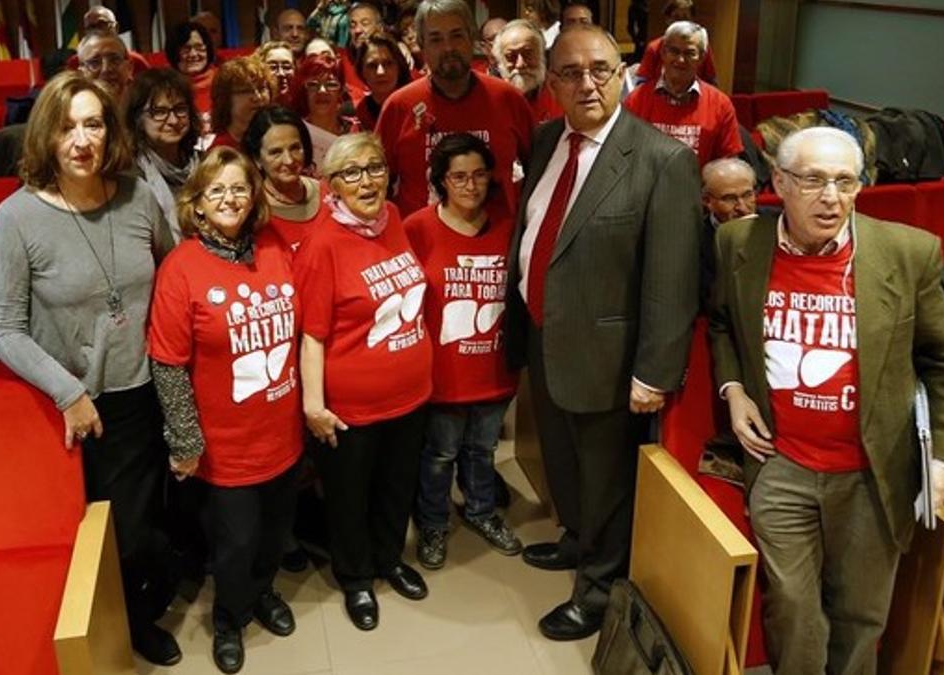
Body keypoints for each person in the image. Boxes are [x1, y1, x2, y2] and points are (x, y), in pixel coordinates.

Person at [708, 126, 944, 675]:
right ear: (779, 181)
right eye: (814, 180)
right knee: (794, 610)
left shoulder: (908, 252)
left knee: (861, 615)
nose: (831, 197)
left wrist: (943, 459)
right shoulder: (738, 244)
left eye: (846, 182)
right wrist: (733, 391)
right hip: (780, 464)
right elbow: (723, 324)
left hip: (874, 472)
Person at [505, 24, 701, 641]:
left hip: (612, 358)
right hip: (547, 335)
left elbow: (673, 280)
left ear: (622, 75)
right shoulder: (544, 141)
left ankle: (597, 590)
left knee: (606, 480)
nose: (586, 83)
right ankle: (575, 540)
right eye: (570, 72)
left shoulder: (662, 160)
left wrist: (654, 372)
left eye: (600, 70)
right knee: (564, 465)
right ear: (552, 81)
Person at [0, 72, 179, 665]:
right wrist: (68, 392)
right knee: (87, 534)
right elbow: (4, 331)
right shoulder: (16, 217)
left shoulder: (137, 196)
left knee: (139, 529)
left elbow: (174, 278)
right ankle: (96, 629)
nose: (81, 139)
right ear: (46, 135)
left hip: (141, 389)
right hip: (63, 404)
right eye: (67, 126)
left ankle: (140, 616)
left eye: (93, 123)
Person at [148, 147, 302, 674]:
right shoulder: (181, 268)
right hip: (226, 445)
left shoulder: (275, 246)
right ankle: (229, 619)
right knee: (235, 543)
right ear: (197, 202)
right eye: (217, 191)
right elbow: (167, 365)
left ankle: (262, 593)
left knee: (277, 531)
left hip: (284, 431)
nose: (230, 199)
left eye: (239, 188)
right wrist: (186, 442)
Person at [292, 133, 432, 632]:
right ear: (330, 186)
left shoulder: (393, 218)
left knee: (397, 488)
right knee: (351, 497)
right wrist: (313, 406)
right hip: (352, 406)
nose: (366, 181)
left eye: (373, 168)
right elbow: (312, 336)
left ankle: (389, 559)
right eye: (350, 173)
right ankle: (356, 578)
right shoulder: (322, 244)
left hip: (412, 394)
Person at [404, 133, 521, 569]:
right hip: (442, 374)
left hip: (493, 370)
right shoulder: (417, 227)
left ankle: (480, 510)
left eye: (477, 175)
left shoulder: (509, 225)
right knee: (439, 455)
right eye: (458, 177)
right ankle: (433, 521)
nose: (470, 186)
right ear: (441, 181)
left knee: (482, 450)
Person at [376, 0, 535, 216]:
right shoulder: (399, 107)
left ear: (473, 39)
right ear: (422, 45)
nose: (448, 48)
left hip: (498, 241)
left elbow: (539, 175)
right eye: (436, 39)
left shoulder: (508, 99)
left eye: (457, 35)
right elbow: (377, 184)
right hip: (419, 244)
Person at [624, 21, 742, 168]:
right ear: (663, 53)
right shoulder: (635, 100)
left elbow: (729, 162)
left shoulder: (721, 105)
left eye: (689, 53)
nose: (680, 60)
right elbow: (622, 154)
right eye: (674, 51)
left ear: (702, 57)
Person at [126, 67, 201, 244]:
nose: (173, 120)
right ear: (138, 119)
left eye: (180, 109)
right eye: (159, 112)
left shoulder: (207, 164)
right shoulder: (129, 175)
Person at [242, 106, 325, 252]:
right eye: (276, 152)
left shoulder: (328, 194)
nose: (288, 160)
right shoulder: (252, 213)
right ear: (257, 159)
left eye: (295, 148)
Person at [699, 157, 760, 307]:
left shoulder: (778, 225)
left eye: (748, 195)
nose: (742, 208)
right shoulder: (694, 239)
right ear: (707, 201)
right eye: (729, 199)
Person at [292, 52, 356, 175]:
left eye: (331, 84)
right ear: (304, 91)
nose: (322, 91)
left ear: (341, 92)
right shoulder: (294, 132)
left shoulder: (355, 131)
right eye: (313, 85)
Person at [494, 19, 565, 124]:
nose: (520, 64)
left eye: (528, 54)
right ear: (500, 61)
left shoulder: (562, 96)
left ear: (542, 55)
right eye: (511, 57)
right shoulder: (490, 101)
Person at [636, 0, 717, 86]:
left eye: (685, 18)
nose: (681, 22)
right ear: (667, 19)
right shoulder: (654, 47)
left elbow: (711, 81)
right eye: (676, 17)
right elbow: (642, 82)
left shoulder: (702, 47)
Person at [209, 57, 275, 151]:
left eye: (262, 88)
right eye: (246, 91)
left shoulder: (281, 136)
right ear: (225, 99)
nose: (258, 97)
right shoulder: (221, 151)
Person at [351, 32, 411, 131]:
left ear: (399, 67)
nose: (380, 72)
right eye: (372, 66)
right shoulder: (360, 113)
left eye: (388, 63)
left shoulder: (415, 107)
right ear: (362, 71)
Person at [167, 22, 218, 122]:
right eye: (186, 49)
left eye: (199, 47)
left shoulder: (225, 81)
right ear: (174, 52)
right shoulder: (164, 85)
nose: (193, 54)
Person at [76, 28, 135, 104]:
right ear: (81, 73)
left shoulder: (145, 110)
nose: (106, 69)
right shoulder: (73, 113)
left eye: (114, 60)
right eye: (95, 63)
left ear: (129, 67)